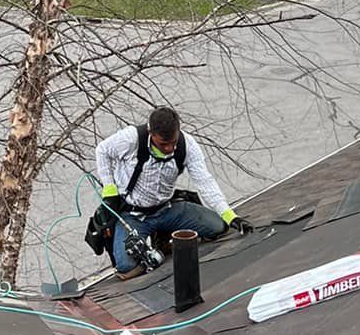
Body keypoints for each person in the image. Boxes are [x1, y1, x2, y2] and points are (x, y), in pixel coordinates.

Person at [94, 105, 252, 277]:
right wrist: (110, 190)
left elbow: (205, 182)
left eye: (173, 143)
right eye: (163, 144)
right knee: (126, 266)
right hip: (134, 216)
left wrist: (230, 216)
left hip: (168, 209)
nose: (169, 148)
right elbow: (102, 151)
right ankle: (153, 242)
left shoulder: (187, 145)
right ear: (150, 132)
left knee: (218, 226)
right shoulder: (131, 139)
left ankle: (163, 237)